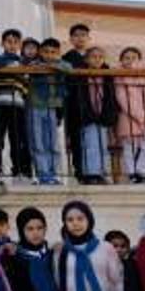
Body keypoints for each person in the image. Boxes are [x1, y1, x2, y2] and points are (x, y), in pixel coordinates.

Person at [0, 29, 32, 182]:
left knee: (17, 139)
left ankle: (18, 170)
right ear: (2, 43)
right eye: (8, 42)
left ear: (19, 45)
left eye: (15, 42)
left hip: (18, 105)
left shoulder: (24, 62)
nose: (12, 45)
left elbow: (27, 82)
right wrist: (10, 66)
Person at [26, 37, 69, 185]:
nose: (49, 55)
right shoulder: (35, 64)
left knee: (52, 142)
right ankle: (43, 174)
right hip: (35, 106)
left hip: (53, 106)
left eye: (53, 52)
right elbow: (30, 68)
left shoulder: (61, 64)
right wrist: (46, 66)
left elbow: (68, 68)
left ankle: (54, 173)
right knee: (38, 141)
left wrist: (53, 65)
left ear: (58, 53)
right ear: (40, 52)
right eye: (46, 52)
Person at [74, 47, 118, 184]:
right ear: (86, 59)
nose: (97, 59)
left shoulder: (107, 75)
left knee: (102, 146)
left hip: (102, 115)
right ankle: (91, 174)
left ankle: (100, 172)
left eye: (100, 57)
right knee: (90, 145)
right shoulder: (82, 74)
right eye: (93, 56)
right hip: (88, 116)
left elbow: (110, 97)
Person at [114, 47, 145, 183]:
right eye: (126, 58)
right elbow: (122, 99)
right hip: (130, 117)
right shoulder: (119, 75)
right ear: (121, 60)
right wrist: (140, 117)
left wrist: (139, 64)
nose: (130, 61)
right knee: (130, 147)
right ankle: (132, 174)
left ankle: (141, 172)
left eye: (134, 58)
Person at [61, 23, 91, 180]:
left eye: (83, 35)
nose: (80, 38)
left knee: (92, 139)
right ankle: (80, 172)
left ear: (88, 38)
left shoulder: (94, 57)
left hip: (92, 104)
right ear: (71, 39)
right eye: (77, 35)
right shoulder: (66, 58)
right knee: (76, 139)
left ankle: (94, 171)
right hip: (73, 103)